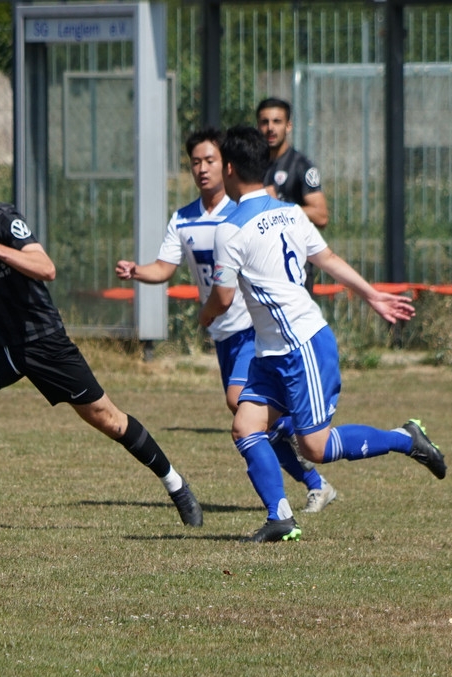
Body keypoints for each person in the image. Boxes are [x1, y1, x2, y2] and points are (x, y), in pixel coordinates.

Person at [0, 162, 202, 527]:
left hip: (43, 341)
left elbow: (46, 268)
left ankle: (176, 485)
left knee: (108, 419)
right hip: (0, 342)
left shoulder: (6, 222)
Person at [198, 126, 447, 543]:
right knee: (245, 426)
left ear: (228, 169)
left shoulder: (230, 228)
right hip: (271, 351)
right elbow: (326, 257)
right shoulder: (291, 212)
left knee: (315, 447)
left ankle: (405, 439)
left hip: (302, 346)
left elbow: (222, 298)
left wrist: (203, 316)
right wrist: (371, 295)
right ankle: (280, 518)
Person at [115, 127, 337, 514]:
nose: (202, 168)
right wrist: (137, 271)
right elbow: (165, 268)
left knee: (241, 404)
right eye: (195, 162)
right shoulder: (183, 218)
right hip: (224, 335)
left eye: (210, 160)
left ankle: (301, 482)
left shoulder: (242, 215)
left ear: (228, 165)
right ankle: (312, 479)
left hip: (253, 329)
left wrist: (208, 311)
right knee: (249, 416)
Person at [256, 97, 329, 294]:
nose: (270, 128)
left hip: (293, 266)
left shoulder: (301, 166)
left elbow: (321, 215)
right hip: (260, 265)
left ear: (288, 126)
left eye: (277, 122)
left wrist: (279, 204)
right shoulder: (253, 165)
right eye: (265, 122)